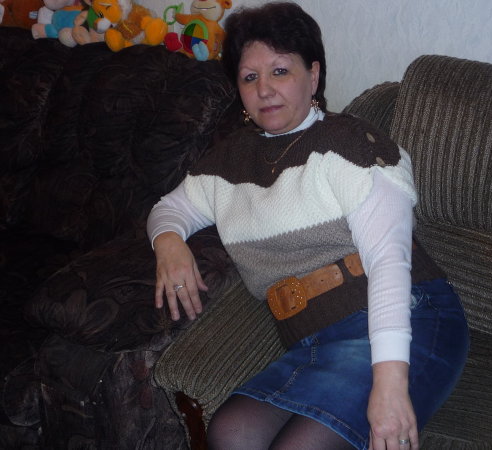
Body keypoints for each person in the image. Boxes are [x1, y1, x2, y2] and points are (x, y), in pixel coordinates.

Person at [147, 3, 469, 449]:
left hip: (406, 316)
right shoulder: (227, 162)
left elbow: (389, 261)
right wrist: (168, 243)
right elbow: (168, 209)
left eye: (280, 71)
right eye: (249, 77)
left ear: (313, 76)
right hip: (311, 339)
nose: (264, 89)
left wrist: (390, 386)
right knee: (230, 432)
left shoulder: (349, 144)